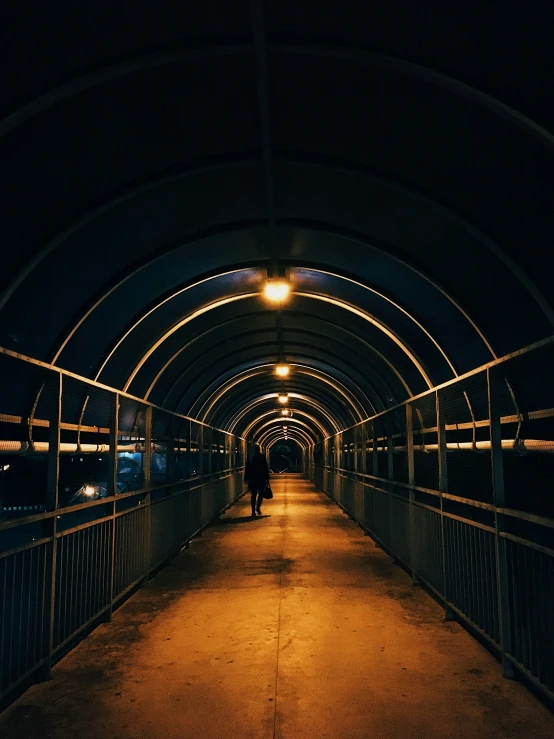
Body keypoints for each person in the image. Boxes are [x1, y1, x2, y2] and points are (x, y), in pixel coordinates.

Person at [244, 443, 270, 516]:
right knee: (261, 494)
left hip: (252, 478)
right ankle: (257, 507)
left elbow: (247, 468)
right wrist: (267, 478)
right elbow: (265, 468)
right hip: (260, 478)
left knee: (253, 494)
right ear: (259, 449)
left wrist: (246, 478)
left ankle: (253, 510)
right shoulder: (262, 457)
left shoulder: (250, 457)